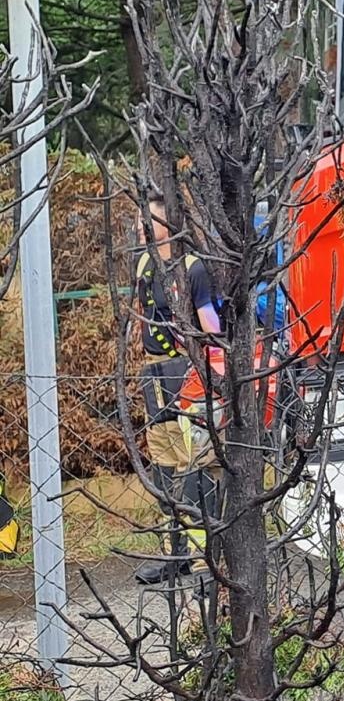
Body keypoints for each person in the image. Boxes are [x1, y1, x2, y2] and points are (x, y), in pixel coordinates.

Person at [133, 190, 224, 586]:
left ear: (167, 227)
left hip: (187, 369)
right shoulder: (143, 264)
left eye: (147, 222)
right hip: (154, 372)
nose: (139, 228)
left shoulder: (193, 269)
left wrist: (211, 369)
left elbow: (212, 326)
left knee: (196, 461)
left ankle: (207, 558)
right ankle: (175, 553)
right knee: (164, 461)